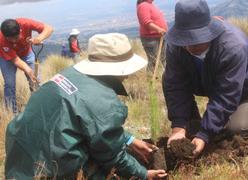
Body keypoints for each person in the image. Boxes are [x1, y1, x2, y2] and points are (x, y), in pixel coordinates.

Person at [5, 33, 167, 180]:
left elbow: (87, 120)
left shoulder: (68, 74)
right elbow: (111, 155)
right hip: (52, 170)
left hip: (18, 160)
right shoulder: (105, 101)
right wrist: (143, 174)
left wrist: (130, 140)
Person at [163, 0, 248, 157]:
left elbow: (226, 95)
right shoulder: (175, 46)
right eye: (186, 40)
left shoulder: (232, 47)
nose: (190, 46)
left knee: (239, 128)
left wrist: (205, 134)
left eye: (196, 39)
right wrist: (179, 126)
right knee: (168, 78)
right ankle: (196, 123)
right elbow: (175, 85)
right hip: (209, 81)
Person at [0, 18, 53, 113]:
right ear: (5, 36)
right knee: (9, 84)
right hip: (7, 58)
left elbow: (49, 28)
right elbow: (15, 59)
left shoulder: (25, 23)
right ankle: (11, 112)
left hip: (26, 53)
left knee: (36, 80)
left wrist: (39, 38)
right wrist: (28, 70)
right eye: (10, 40)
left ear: (20, 30)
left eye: (16, 38)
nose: (14, 42)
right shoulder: (1, 39)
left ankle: (39, 105)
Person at [136, 0, 168, 71]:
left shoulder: (149, 4)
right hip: (151, 38)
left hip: (159, 36)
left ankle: (161, 77)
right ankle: (151, 79)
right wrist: (159, 29)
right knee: (154, 60)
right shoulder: (143, 5)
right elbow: (145, 22)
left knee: (162, 59)